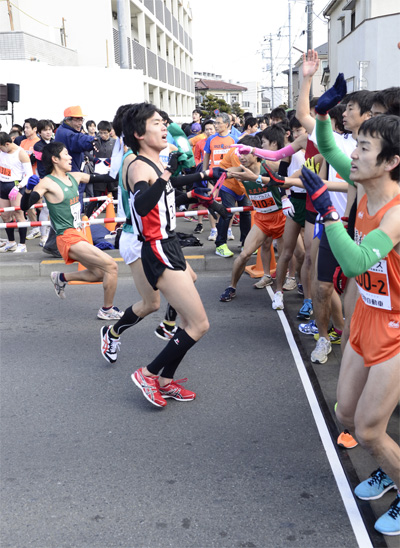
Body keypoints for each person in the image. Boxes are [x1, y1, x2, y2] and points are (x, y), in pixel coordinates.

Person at [301, 113, 400, 537]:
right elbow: (325, 147)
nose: (353, 154)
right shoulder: (363, 185)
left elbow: (357, 261)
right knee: (346, 417)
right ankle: (387, 468)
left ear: (391, 161)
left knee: (370, 428)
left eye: (363, 147)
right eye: (355, 144)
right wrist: (321, 112)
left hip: (396, 329)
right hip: (366, 320)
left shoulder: (396, 213)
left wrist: (328, 215)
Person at [118, 102, 209, 408]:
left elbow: (164, 198)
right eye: (157, 122)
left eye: (163, 121)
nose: (163, 126)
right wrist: (168, 171)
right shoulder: (141, 165)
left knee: (186, 322)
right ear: (138, 133)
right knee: (199, 324)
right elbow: (143, 204)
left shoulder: (155, 164)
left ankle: (166, 382)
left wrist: (196, 187)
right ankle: (148, 373)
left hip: (169, 245)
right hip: (157, 247)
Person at [20, 141, 123, 320]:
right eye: (66, 154)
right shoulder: (47, 183)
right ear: (55, 159)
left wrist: (125, 165)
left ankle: (62, 277)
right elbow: (24, 206)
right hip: (67, 237)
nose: (70, 157)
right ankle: (107, 309)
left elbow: (106, 178)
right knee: (111, 266)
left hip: (78, 233)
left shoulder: (75, 176)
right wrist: (29, 190)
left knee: (99, 273)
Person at [219, 135, 285, 301]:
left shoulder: (269, 166)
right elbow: (221, 173)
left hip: (282, 217)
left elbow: (287, 170)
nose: (241, 156)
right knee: (244, 254)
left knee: (291, 255)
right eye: (239, 153)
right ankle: (231, 287)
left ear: (256, 153)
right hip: (262, 219)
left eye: (245, 153)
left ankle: (285, 288)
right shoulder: (240, 171)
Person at [0, 132, 33, 253]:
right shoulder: (2, 151)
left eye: (1, 147)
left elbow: (29, 174)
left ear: (7, 144)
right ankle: (11, 242)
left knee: (19, 214)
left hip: (16, 184)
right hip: (2, 184)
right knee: (5, 215)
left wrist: (18, 186)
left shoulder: (21, 153)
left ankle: (22, 244)